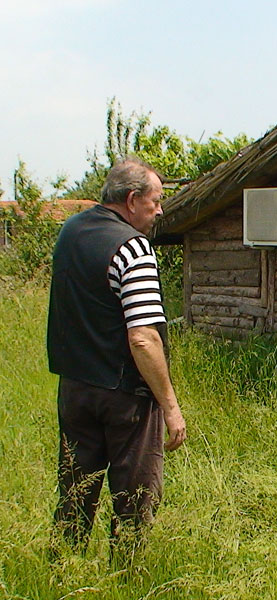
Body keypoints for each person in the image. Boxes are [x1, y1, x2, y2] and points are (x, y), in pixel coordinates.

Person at [47, 156, 186, 553]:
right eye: (155, 201)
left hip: (74, 388)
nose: (159, 210)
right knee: (135, 501)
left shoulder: (70, 232)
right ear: (130, 200)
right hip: (124, 396)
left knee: (75, 492)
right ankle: (126, 579)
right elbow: (143, 338)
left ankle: (61, 571)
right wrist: (170, 407)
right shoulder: (134, 247)